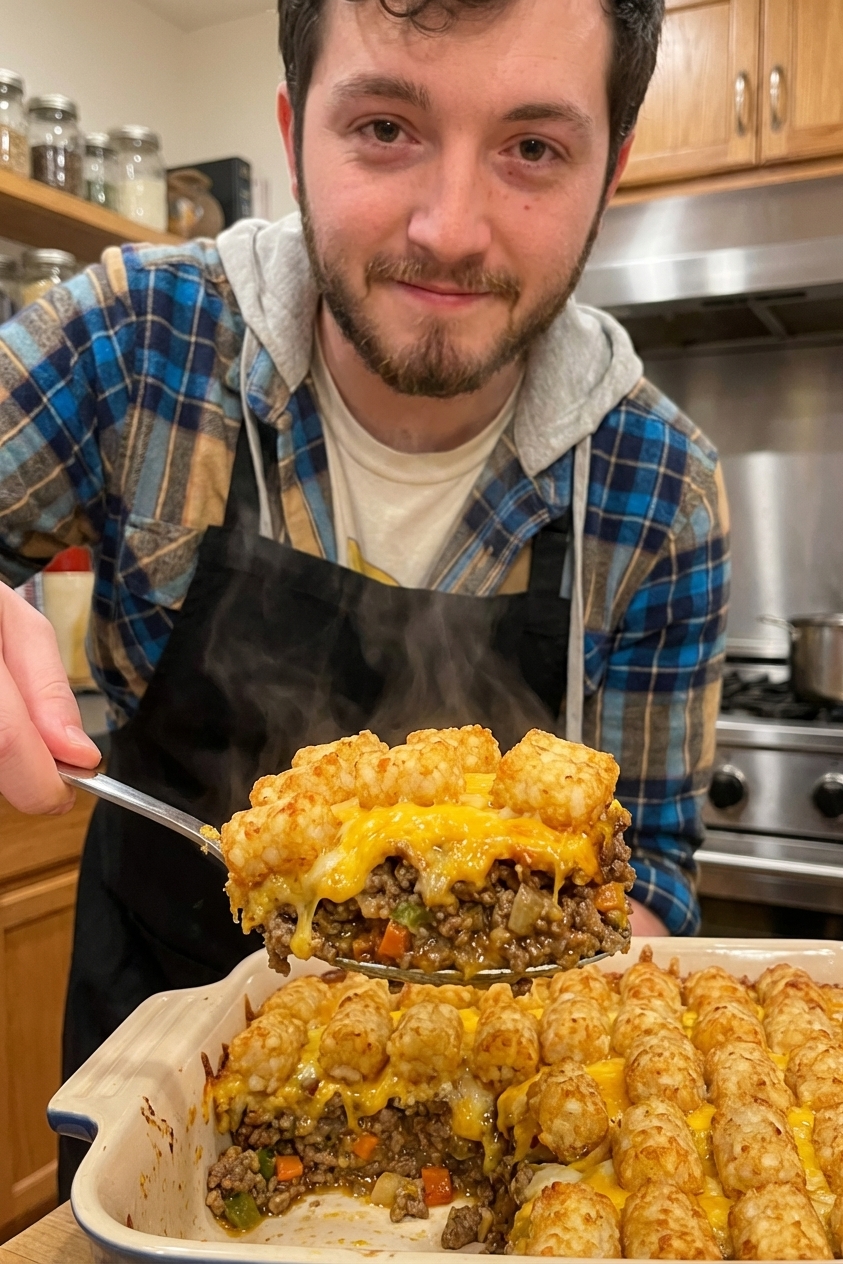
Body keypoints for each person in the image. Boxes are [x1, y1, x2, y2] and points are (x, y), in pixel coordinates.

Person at [0, 0, 728, 1193]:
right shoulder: (137, 341)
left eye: (534, 148)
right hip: (155, 1095)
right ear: (294, 133)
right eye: (386, 126)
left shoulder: (661, 493)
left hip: (500, 1130)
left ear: (614, 167)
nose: (450, 229)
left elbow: (645, 876)